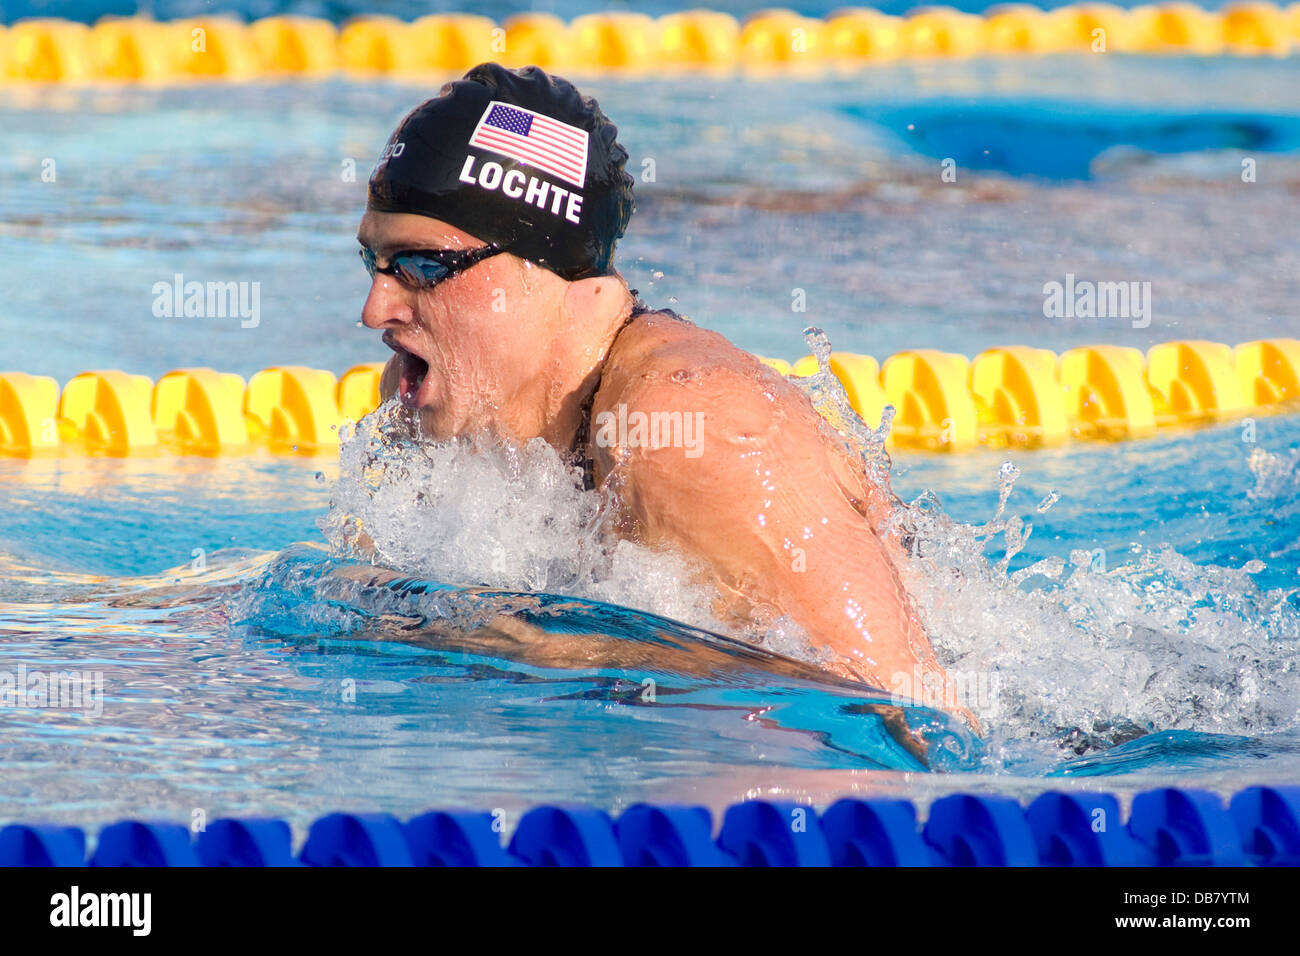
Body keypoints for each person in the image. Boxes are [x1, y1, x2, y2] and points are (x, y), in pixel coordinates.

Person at [357, 62, 967, 725]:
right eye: (375, 263)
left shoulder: (689, 426)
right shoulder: (433, 401)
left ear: (543, 269)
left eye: (422, 266)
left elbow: (905, 708)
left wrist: (584, 651)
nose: (375, 307)